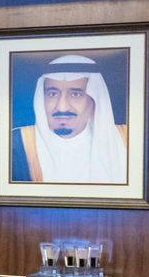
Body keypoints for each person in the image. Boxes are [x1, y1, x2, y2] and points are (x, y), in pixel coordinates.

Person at [10, 54, 128, 184]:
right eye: (52, 94)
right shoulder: (16, 144)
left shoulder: (126, 140)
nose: (62, 107)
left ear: (94, 99)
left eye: (75, 94)